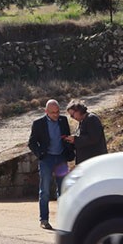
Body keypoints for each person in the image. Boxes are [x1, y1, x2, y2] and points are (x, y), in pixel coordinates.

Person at [28, 99, 74, 230]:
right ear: (46, 111)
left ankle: (64, 219)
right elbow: (31, 143)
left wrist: (69, 152)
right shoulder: (38, 124)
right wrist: (40, 155)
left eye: (58, 112)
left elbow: (67, 138)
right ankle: (44, 219)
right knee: (45, 191)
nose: (56, 115)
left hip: (61, 158)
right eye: (53, 112)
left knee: (63, 189)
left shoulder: (63, 121)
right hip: (46, 159)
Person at [62, 100, 108, 164]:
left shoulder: (91, 119)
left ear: (78, 110)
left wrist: (75, 139)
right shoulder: (82, 121)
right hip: (88, 162)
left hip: (95, 161)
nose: (72, 118)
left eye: (72, 115)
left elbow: (93, 138)